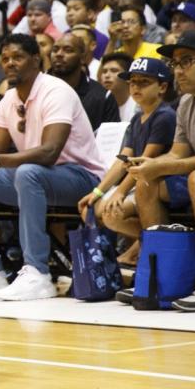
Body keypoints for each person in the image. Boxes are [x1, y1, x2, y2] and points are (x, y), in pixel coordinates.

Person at [0, 34, 104, 300]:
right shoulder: (9, 98)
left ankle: (38, 273)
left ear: (36, 60)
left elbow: (48, 152)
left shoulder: (56, 91)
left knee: (27, 172)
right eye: (5, 58)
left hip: (82, 178)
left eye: (18, 57)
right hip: (36, 179)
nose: (10, 63)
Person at [128, 32, 195, 312]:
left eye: (186, 61)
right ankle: (162, 276)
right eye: (175, 64)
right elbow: (178, 153)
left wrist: (166, 165)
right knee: (148, 182)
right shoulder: (186, 102)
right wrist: (150, 165)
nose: (178, 71)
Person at [77, 57, 176, 267]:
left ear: (162, 87)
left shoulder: (165, 116)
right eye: (132, 82)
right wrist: (97, 192)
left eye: (144, 82)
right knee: (91, 209)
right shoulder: (136, 118)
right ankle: (140, 245)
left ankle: (148, 245)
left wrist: (120, 192)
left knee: (112, 213)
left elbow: (143, 163)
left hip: (156, 184)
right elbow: (123, 160)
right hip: (137, 182)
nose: (136, 87)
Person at [50, 32, 119, 131]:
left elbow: (110, 140)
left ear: (82, 58)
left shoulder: (102, 96)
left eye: (68, 50)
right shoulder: (36, 88)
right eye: (55, 50)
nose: (59, 54)